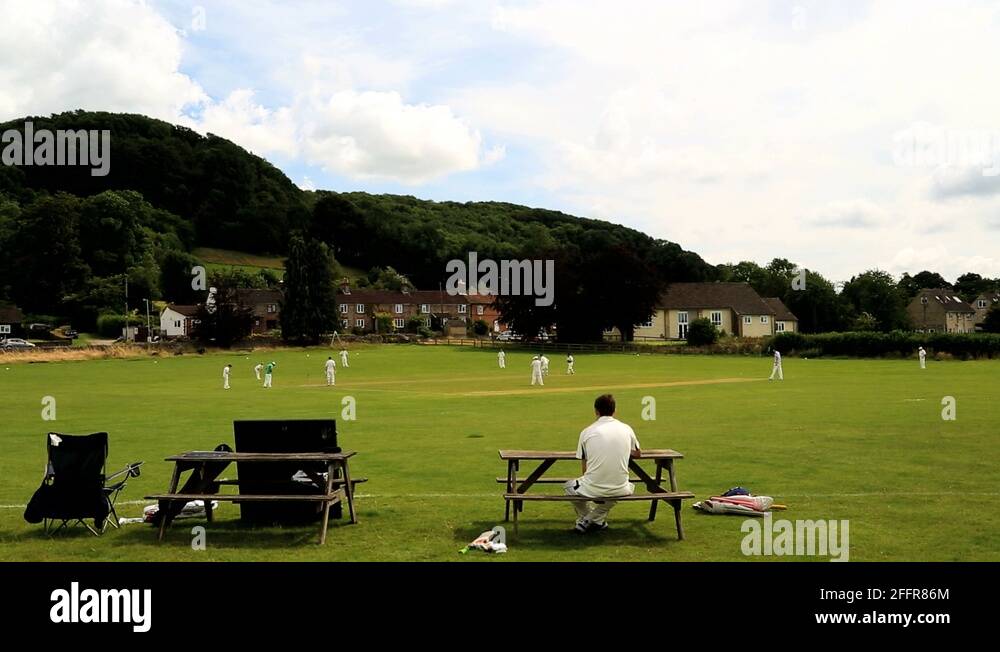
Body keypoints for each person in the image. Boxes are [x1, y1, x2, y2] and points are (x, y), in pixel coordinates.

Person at [564, 394, 641, 533]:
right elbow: (637, 453)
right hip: (621, 487)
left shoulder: (587, 432)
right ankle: (596, 520)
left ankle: (586, 519)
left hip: (595, 487)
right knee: (622, 488)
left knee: (568, 487)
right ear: (615, 410)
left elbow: (584, 466)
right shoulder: (626, 428)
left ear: (596, 411)